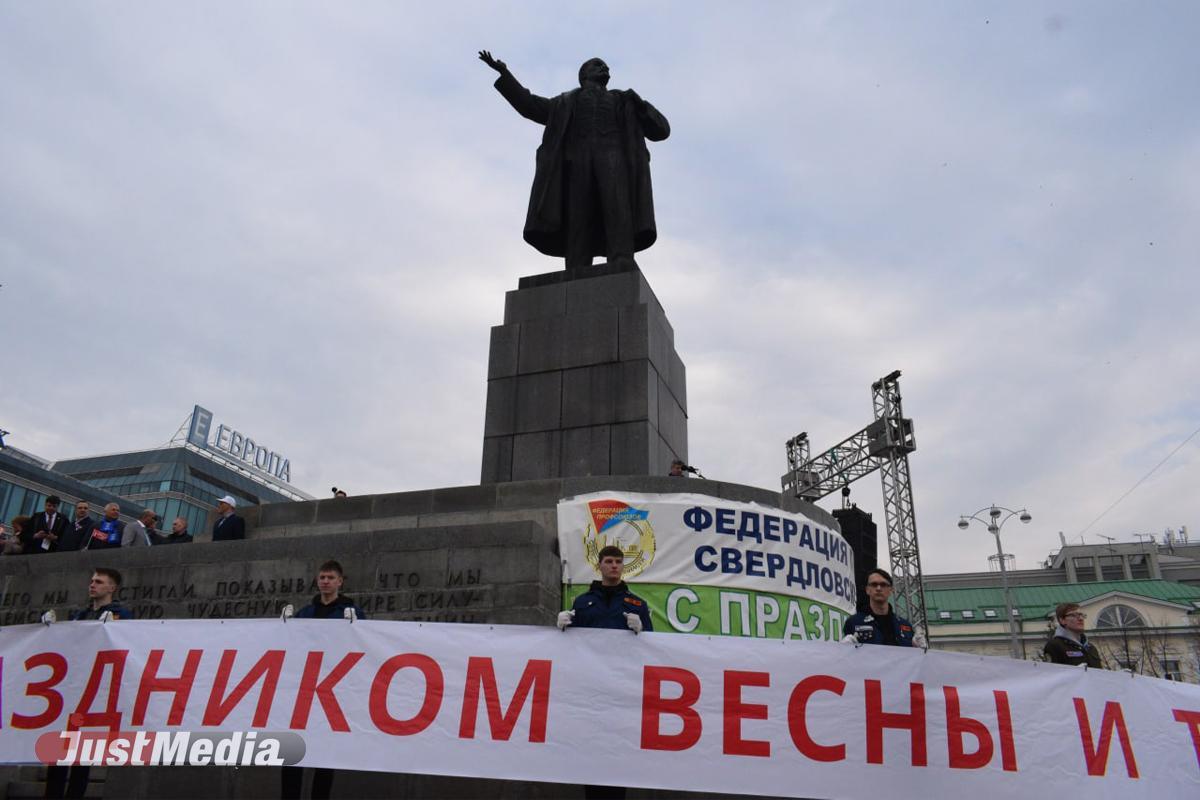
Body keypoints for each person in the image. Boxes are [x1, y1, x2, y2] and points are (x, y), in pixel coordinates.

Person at [479, 51, 670, 271]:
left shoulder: (622, 100)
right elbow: (529, 105)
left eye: (606, 66)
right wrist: (505, 74)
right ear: (584, 74)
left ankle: (621, 258)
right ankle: (577, 264)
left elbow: (662, 131)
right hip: (576, 161)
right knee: (578, 213)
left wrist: (642, 105)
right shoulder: (565, 102)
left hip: (613, 157)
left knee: (617, 207)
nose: (604, 68)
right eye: (598, 65)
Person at [283, 560, 366, 800]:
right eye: (322, 577)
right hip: (303, 691)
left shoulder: (351, 612)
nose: (326, 581)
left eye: (330, 577)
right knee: (291, 754)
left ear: (340, 581)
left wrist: (357, 625)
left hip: (332, 693)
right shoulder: (305, 613)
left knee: (325, 757)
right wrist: (285, 627)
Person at [45, 568, 130, 798]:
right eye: (92, 581)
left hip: (95, 695)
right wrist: (50, 631)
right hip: (72, 691)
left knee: (81, 758)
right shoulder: (80, 616)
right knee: (57, 757)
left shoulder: (121, 614)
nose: (93, 585)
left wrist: (113, 627)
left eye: (99, 582)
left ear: (112, 588)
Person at [558, 545, 652, 633]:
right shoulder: (581, 602)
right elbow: (573, 640)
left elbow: (651, 642)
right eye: (609, 561)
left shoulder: (639, 605)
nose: (614, 565)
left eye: (618, 562)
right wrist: (563, 627)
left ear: (623, 567)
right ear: (599, 566)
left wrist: (642, 628)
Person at [842, 568, 921, 647]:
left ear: (891, 590)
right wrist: (845, 649)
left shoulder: (905, 625)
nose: (878, 588)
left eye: (883, 585)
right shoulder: (854, 622)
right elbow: (847, 657)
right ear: (867, 590)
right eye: (874, 584)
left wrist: (920, 651)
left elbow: (914, 657)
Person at [1043, 602, 1104, 668]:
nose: (1080, 619)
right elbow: (1053, 674)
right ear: (1062, 620)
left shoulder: (1091, 648)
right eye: (1074, 615)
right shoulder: (1055, 645)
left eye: (1081, 615)